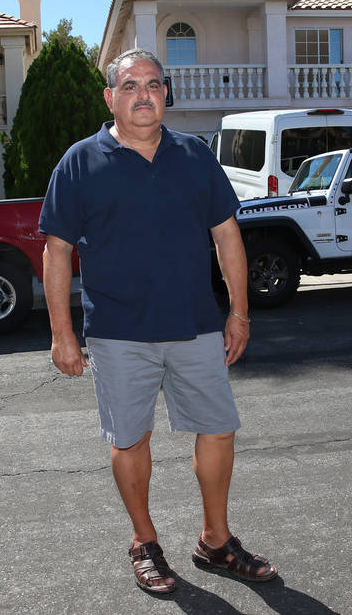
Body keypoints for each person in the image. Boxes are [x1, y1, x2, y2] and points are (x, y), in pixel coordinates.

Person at [38, 48, 277, 594]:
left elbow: (227, 237)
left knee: (219, 429)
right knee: (130, 439)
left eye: (153, 84)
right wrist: (61, 333)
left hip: (196, 325)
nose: (143, 95)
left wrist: (239, 313)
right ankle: (144, 542)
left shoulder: (195, 156)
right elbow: (56, 251)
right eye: (130, 86)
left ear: (166, 93)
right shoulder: (80, 162)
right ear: (110, 97)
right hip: (119, 333)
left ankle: (216, 542)